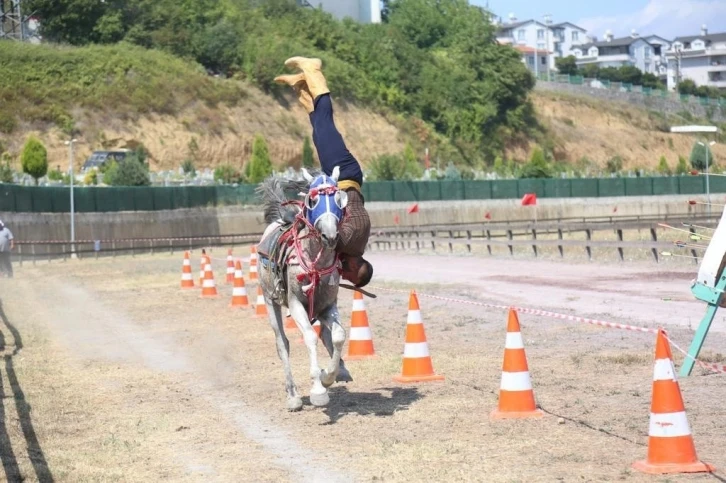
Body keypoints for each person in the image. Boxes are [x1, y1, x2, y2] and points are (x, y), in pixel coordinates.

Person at [274, 57, 373, 289]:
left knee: (319, 130)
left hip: (340, 178)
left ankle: (301, 85)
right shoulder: (350, 241)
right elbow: (327, 240)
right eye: (348, 275)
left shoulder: (356, 245)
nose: (344, 275)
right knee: (325, 124)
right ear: (355, 266)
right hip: (345, 173)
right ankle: (312, 69)